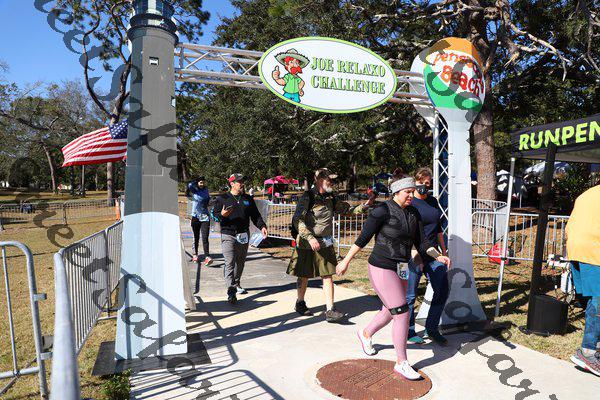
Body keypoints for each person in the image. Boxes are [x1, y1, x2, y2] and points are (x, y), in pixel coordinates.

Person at [336, 176, 451, 380]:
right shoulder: (382, 210)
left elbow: (422, 243)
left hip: (402, 266)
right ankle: (401, 362)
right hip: (381, 266)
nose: (411, 195)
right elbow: (363, 238)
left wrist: (438, 255)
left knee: (390, 311)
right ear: (396, 192)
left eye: (412, 191)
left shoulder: (414, 213)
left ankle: (366, 334)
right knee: (401, 312)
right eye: (407, 191)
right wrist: (345, 261)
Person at [287, 168, 350, 323]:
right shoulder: (308, 197)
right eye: (329, 180)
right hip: (306, 243)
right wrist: (310, 238)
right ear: (319, 180)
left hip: (325, 242)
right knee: (304, 275)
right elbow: (297, 220)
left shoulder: (330, 197)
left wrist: (364, 206)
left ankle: (330, 310)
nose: (332, 183)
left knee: (327, 275)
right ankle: (300, 302)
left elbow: (343, 209)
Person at [405, 167, 450, 345]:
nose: (424, 185)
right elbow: (407, 232)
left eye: (427, 183)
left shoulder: (432, 201)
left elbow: (438, 229)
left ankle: (431, 328)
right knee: (410, 296)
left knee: (442, 289)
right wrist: (415, 254)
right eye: (421, 182)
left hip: (433, 254)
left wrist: (444, 253)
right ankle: (408, 331)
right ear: (414, 182)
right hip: (414, 254)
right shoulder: (409, 203)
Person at [212, 173, 268, 304]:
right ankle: (231, 291)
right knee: (229, 262)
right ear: (232, 184)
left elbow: (255, 216)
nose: (242, 184)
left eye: (243, 181)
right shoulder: (222, 198)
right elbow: (214, 215)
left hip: (243, 235)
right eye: (239, 182)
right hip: (228, 234)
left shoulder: (247, 198)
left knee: (240, 262)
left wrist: (262, 226)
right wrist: (222, 215)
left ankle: (236, 283)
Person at [566, 184, 600, 376]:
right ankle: (588, 352)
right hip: (594, 250)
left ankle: (596, 347)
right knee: (599, 300)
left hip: (576, 248)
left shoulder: (587, 194)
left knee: (593, 300)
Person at [186, 177, 213, 266]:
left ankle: (207, 256)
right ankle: (195, 254)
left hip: (205, 217)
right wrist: (196, 181)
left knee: (205, 237)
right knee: (196, 236)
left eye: (203, 182)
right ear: (197, 183)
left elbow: (208, 201)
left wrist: (211, 201)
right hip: (195, 217)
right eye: (201, 182)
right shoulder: (194, 190)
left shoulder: (206, 190)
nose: (202, 184)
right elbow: (189, 185)